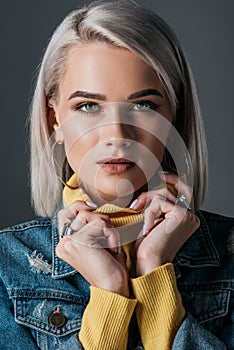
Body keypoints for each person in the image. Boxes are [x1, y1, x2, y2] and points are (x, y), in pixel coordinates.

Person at [0, 0, 233, 349]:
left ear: (173, 116)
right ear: (55, 121)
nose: (117, 134)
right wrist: (110, 293)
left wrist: (154, 275)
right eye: (88, 106)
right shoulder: (6, 265)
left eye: (144, 105)